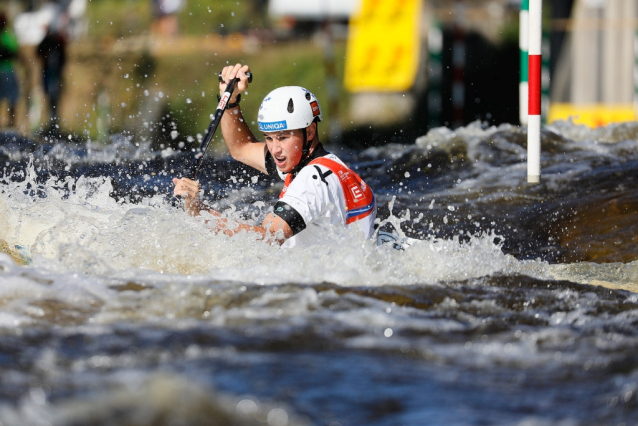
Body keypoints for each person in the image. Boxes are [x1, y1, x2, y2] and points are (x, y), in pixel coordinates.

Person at [173, 64, 377, 247]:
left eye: (283, 137)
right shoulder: (323, 165)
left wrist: (200, 212)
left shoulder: (311, 181)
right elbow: (241, 148)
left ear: (311, 131)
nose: (275, 149)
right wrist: (230, 99)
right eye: (269, 138)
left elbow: (266, 240)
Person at [36, 25, 67, 127]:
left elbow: (64, 58)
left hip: (55, 74)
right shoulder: (46, 43)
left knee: (55, 98)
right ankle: (51, 121)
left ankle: (54, 122)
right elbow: (38, 52)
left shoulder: (59, 42)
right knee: (49, 97)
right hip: (49, 73)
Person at [0, 11, 19, 128]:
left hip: (6, 69)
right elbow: (15, 51)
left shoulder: (7, 36)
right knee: (12, 98)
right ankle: (11, 123)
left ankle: (11, 123)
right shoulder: (8, 36)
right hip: (8, 69)